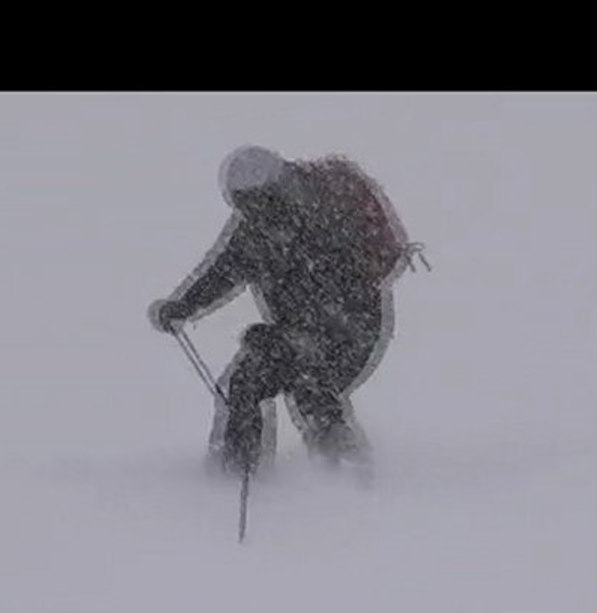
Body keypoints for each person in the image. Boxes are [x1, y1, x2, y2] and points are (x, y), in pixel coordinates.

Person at [149, 145, 427, 478]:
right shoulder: (262, 226)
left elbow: (227, 271)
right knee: (255, 381)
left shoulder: (305, 215)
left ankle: (330, 475)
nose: (250, 211)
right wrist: (183, 307)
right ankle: (270, 473)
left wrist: (184, 307)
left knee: (301, 381)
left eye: (250, 202)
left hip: (345, 328)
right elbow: (224, 272)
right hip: (334, 328)